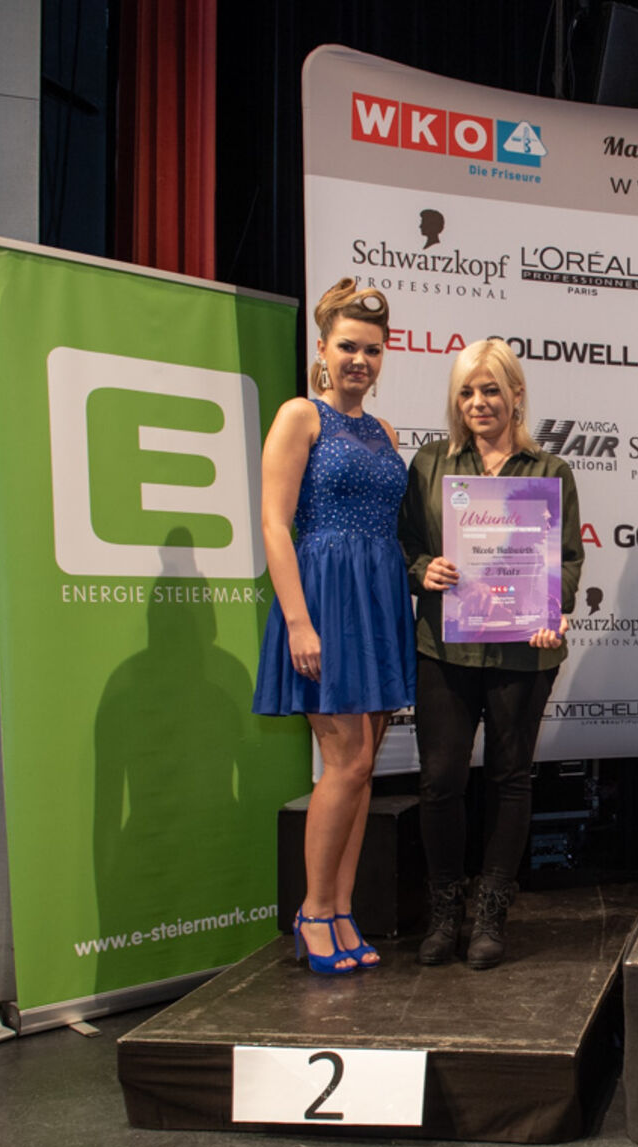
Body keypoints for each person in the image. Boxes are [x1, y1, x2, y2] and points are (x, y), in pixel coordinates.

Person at [400, 339, 582, 969]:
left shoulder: (550, 470)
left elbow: (567, 558)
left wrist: (552, 609)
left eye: (491, 390)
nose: (478, 402)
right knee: (440, 782)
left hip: (523, 654)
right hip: (444, 647)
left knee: (510, 779)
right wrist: (424, 569)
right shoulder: (430, 463)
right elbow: (405, 543)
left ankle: (491, 915)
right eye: (467, 392)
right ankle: (445, 911)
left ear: (516, 395)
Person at [252, 277, 416, 975]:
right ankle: (313, 911)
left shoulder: (385, 432)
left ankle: (342, 909)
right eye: (348, 346)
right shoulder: (300, 416)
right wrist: (299, 621)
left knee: (363, 769)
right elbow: (273, 523)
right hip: (324, 599)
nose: (360, 360)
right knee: (344, 763)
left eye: (372, 350)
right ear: (322, 348)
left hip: (378, 598)